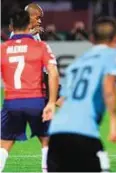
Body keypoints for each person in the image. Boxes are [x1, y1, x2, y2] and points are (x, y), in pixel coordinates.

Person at [47, 17, 116, 172]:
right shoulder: (113, 56)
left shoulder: (77, 63)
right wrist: (114, 122)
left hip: (57, 133)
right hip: (84, 134)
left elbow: (61, 100)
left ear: (91, 38)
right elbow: (108, 86)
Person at [0, 11, 59, 172]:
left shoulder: (3, 48)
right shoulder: (40, 46)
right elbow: (53, 72)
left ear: (11, 27)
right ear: (28, 25)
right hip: (36, 101)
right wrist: (52, 102)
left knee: (4, 144)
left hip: (11, 103)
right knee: (47, 141)